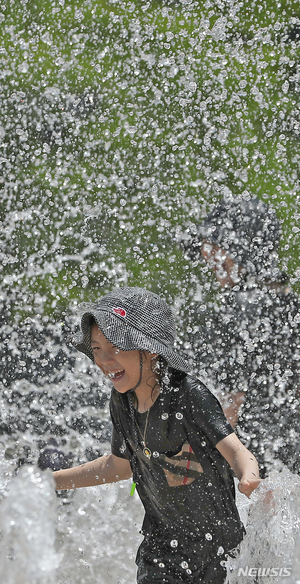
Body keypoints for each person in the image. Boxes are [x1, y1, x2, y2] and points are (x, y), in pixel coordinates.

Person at [53, 286, 261, 584]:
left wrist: (249, 476)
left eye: (116, 347)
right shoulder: (121, 401)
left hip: (220, 553)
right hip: (161, 552)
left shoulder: (188, 395)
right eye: (97, 349)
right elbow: (119, 465)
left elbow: (236, 451)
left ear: (149, 348)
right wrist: (51, 482)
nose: (104, 360)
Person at [182, 194, 300, 478]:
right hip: (289, 467)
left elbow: (225, 409)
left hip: (253, 470)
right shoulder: (291, 305)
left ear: (244, 249)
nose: (206, 255)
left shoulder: (238, 312)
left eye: (216, 247)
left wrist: (184, 468)